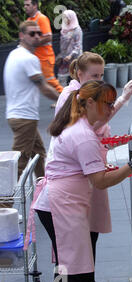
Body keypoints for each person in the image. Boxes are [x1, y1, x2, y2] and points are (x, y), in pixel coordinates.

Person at [30, 80, 132, 282]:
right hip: (60, 206)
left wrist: (123, 98)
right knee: (73, 267)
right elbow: (100, 181)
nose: (111, 109)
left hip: (55, 203)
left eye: (113, 104)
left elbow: (102, 123)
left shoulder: (78, 121)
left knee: (63, 261)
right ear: (90, 102)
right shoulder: (83, 136)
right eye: (108, 104)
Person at [49, 52, 132, 266]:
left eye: (101, 76)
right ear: (79, 74)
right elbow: (93, 129)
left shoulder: (83, 131)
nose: (99, 81)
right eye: (94, 76)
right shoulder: (80, 125)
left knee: (78, 249)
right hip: (72, 188)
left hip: (76, 182)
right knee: (71, 256)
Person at [4, 21, 60, 180]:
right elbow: (43, 87)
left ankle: (43, 192)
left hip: (20, 116)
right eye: (32, 33)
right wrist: (65, 98)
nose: (37, 36)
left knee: (39, 154)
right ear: (22, 36)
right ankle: (3, 202)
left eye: (39, 33)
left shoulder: (15, 54)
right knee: (19, 163)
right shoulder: (28, 58)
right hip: (24, 118)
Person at [24, 0, 63, 96]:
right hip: (36, 59)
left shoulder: (41, 19)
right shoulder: (29, 21)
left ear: (35, 5)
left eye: (28, 5)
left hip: (44, 58)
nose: (25, 7)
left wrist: (33, 43)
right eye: (24, 5)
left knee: (51, 82)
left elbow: (48, 37)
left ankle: (67, 100)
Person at [56, 10, 83, 87]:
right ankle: (63, 96)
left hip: (74, 58)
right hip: (64, 58)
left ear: (71, 18)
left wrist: (71, 55)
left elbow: (78, 46)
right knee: (61, 77)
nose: (64, 20)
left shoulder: (77, 30)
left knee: (76, 79)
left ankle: (76, 96)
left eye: (66, 18)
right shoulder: (64, 29)